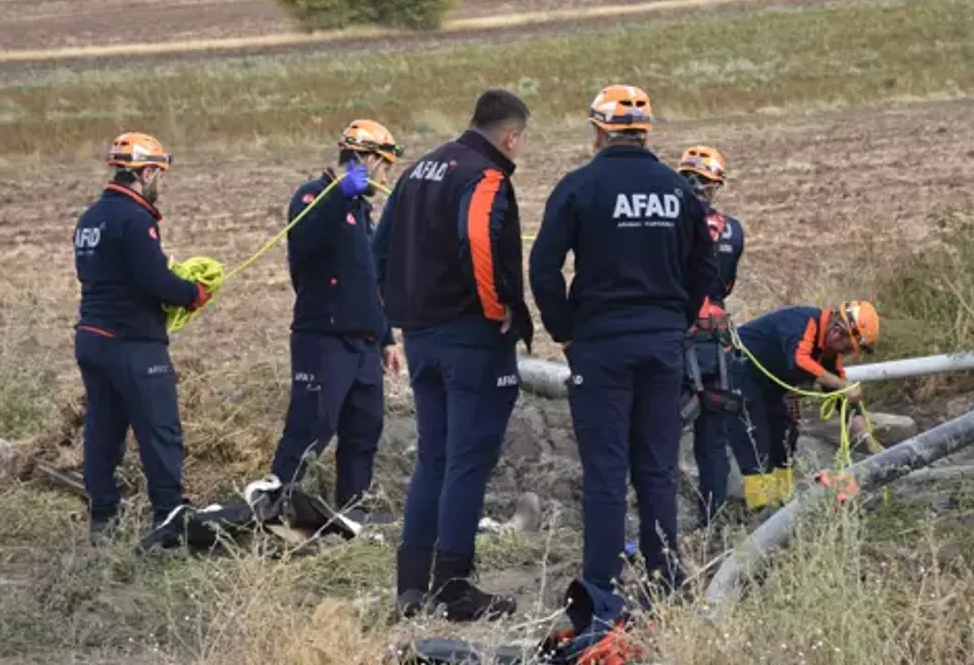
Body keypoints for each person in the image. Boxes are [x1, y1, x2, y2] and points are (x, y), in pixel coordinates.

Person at [529, 84, 718, 625]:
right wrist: (676, 320)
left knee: (606, 471)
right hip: (662, 345)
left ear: (598, 131)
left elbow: (543, 267)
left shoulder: (580, 186)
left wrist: (565, 331)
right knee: (657, 468)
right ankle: (666, 581)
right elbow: (705, 268)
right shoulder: (678, 191)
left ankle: (601, 593)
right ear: (645, 132)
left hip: (600, 346)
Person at [373, 89, 534, 622]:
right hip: (470, 339)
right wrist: (499, 308)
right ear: (510, 136)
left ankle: (411, 585)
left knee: (433, 458)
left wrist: (395, 317)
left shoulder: (419, 168)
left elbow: (379, 247)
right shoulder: (485, 175)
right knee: (468, 460)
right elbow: (479, 241)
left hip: (421, 336)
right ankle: (454, 586)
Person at [72, 132, 212, 544]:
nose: (161, 184)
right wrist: (193, 293)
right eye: (159, 175)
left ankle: (103, 519)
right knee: (160, 430)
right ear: (146, 172)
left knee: (103, 430)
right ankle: (169, 519)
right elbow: (154, 280)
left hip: (92, 338)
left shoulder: (90, 218)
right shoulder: (135, 219)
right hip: (132, 343)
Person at [263, 119, 404, 520]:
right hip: (324, 337)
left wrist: (386, 337)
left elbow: (369, 280)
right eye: (385, 167)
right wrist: (340, 195)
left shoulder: (362, 212)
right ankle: (272, 506)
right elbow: (304, 241)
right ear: (368, 160)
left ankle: (353, 513)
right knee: (311, 427)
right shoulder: (313, 195)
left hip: (364, 343)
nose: (385, 178)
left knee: (365, 429)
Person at [727, 301, 880, 509]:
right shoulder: (801, 322)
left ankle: (782, 504)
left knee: (785, 435)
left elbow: (840, 392)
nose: (844, 354)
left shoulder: (827, 348)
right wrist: (841, 385)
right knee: (756, 442)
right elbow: (799, 361)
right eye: (847, 348)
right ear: (837, 332)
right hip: (738, 373)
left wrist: (864, 433)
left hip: (766, 387)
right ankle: (761, 510)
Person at [675, 145, 745, 528]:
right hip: (716, 341)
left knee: (662, 433)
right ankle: (712, 524)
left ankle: (659, 522)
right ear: (714, 186)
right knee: (713, 441)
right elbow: (726, 285)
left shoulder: (671, 223)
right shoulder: (732, 230)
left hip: (678, 335)